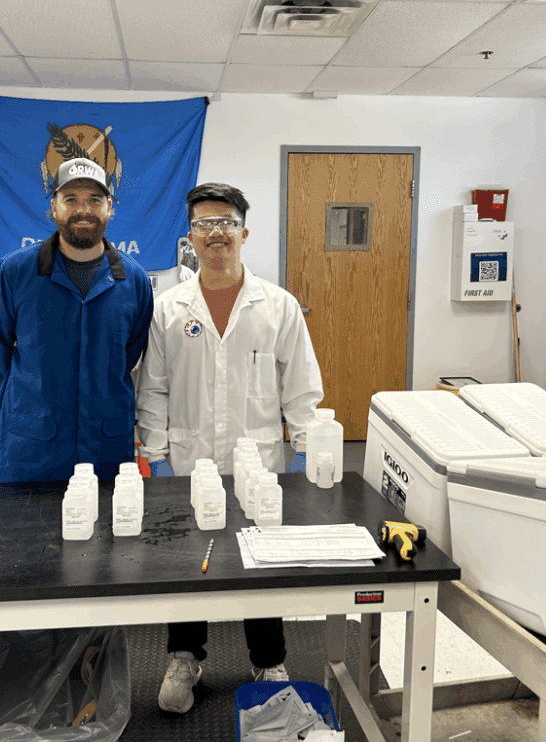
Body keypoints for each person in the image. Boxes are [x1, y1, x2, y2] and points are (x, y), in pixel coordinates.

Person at [135, 182, 324, 714]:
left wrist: (304, 452)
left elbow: (301, 389)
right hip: (185, 458)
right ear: (190, 237)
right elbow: (153, 389)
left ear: (244, 232)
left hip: (258, 463)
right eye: (204, 224)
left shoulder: (278, 307)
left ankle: (268, 659)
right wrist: (156, 455)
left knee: (259, 560)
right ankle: (183, 657)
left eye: (226, 222)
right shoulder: (167, 309)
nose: (215, 233)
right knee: (187, 560)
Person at [0, 157, 153, 483]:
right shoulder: (14, 272)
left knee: (106, 517)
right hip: (30, 451)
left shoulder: (134, 281)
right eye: (70, 199)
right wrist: (35, 398)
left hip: (105, 450)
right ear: (54, 207)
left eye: (95, 199)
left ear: (109, 207)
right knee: (17, 518)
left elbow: (130, 353)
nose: (83, 210)